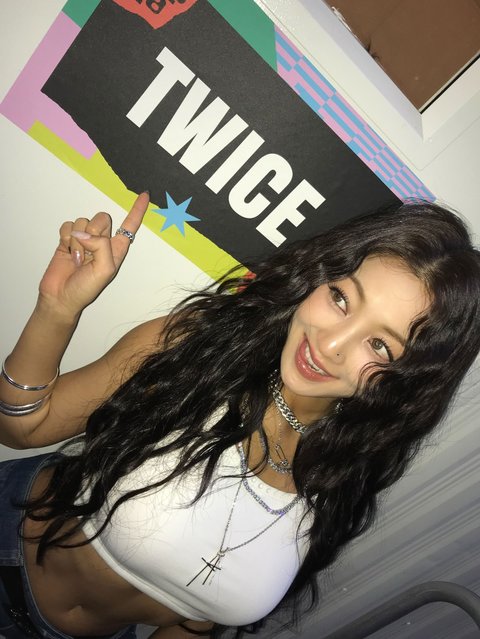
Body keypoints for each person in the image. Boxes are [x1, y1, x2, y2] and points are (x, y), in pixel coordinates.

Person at [1, 193, 480, 639]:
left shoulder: (345, 476)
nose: (330, 345)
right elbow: (24, 428)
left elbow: (197, 620)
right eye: (341, 298)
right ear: (318, 276)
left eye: (378, 344)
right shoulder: (202, 347)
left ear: (407, 378)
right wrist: (58, 307)